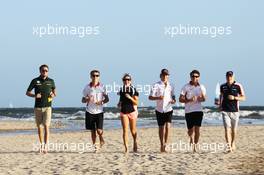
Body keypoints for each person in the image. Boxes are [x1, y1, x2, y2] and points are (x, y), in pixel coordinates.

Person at [26, 64, 56, 153]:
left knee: (46, 126)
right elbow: (27, 93)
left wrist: (53, 95)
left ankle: (46, 146)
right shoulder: (35, 81)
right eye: (43, 70)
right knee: (39, 127)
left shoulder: (51, 81)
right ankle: (42, 144)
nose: (45, 72)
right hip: (38, 107)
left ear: (48, 71)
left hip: (48, 107)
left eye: (46, 70)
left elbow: (55, 92)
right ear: (40, 71)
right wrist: (35, 95)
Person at [149, 69, 176, 153]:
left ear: (168, 76)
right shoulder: (156, 85)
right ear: (160, 76)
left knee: (168, 127)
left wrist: (173, 101)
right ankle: (161, 144)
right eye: (163, 75)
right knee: (161, 128)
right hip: (159, 110)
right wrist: (158, 97)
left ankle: (165, 145)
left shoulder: (171, 85)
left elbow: (173, 96)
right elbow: (150, 97)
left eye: (166, 75)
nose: (165, 76)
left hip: (168, 109)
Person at [179, 70, 206, 152]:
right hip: (189, 111)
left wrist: (202, 98)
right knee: (190, 130)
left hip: (198, 110)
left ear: (199, 77)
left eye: (196, 76)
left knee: (197, 129)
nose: (195, 78)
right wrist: (189, 99)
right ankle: (191, 138)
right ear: (190, 77)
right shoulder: (185, 87)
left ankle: (195, 146)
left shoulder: (202, 87)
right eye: (193, 76)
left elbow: (204, 99)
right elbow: (180, 99)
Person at [82, 70, 109, 152]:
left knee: (99, 130)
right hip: (89, 111)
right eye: (93, 75)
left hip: (99, 111)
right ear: (90, 77)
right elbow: (82, 100)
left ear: (99, 77)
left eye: (97, 75)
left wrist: (102, 102)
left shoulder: (103, 86)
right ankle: (95, 147)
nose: (95, 77)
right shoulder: (87, 87)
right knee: (92, 131)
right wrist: (86, 99)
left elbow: (107, 99)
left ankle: (101, 138)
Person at [219, 71, 246, 152]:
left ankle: (233, 143)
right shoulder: (222, 86)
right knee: (227, 129)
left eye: (230, 76)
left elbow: (244, 97)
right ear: (226, 76)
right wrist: (220, 105)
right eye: (227, 76)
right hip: (225, 111)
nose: (229, 77)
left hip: (235, 111)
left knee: (234, 129)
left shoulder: (238, 86)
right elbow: (221, 96)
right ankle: (228, 146)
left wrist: (235, 98)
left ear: (233, 76)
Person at [118, 73, 139, 153]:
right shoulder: (121, 90)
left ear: (130, 81)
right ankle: (126, 148)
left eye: (128, 79)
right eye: (125, 80)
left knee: (133, 130)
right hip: (124, 112)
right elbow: (120, 101)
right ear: (123, 81)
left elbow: (136, 103)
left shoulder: (134, 90)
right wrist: (119, 104)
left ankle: (135, 142)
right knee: (125, 130)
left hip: (132, 111)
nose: (126, 81)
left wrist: (130, 97)